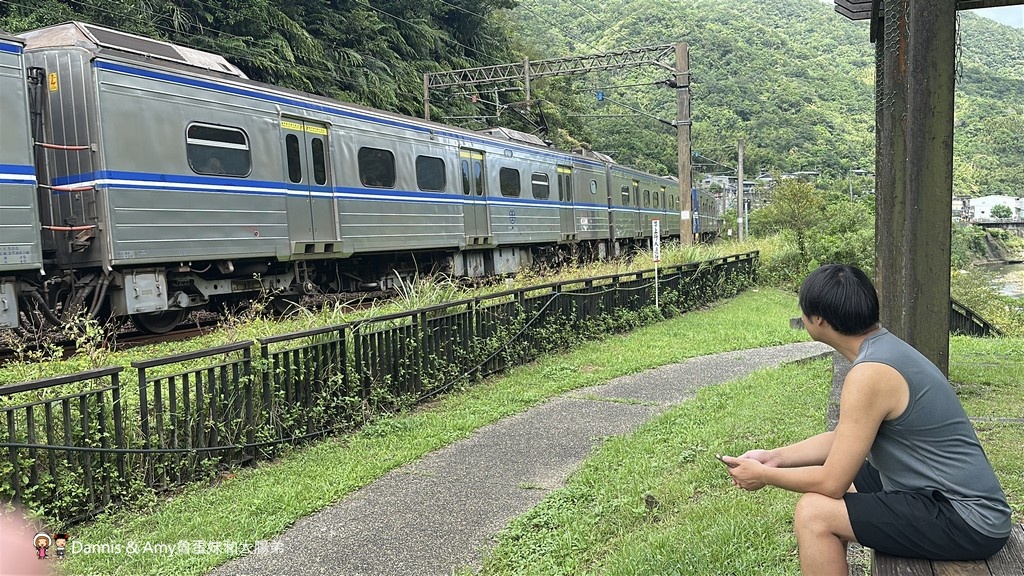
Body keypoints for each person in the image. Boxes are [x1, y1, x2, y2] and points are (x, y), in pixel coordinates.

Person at [723, 264, 1011, 575]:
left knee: (814, 513)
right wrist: (773, 457)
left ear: (817, 319)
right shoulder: (884, 350)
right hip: (940, 494)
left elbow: (831, 484)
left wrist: (764, 476)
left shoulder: (871, 374)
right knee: (854, 476)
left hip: (967, 518)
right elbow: (845, 437)